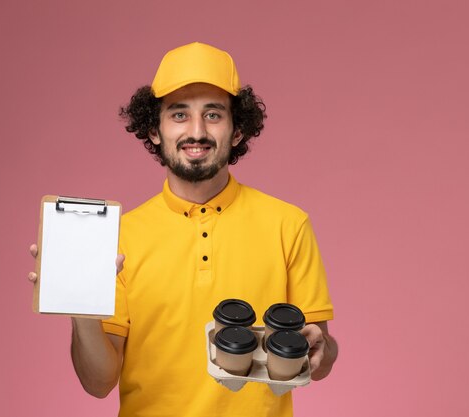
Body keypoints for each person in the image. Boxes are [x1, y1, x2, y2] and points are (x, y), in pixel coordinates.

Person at [28, 42, 338, 417]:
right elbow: (98, 383)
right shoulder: (119, 238)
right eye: (178, 115)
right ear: (154, 130)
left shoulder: (288, 224)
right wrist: (80, 307)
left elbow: (321, 355)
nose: (196, 131)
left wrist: (320, 350)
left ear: (237, 130)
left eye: (213, 114)